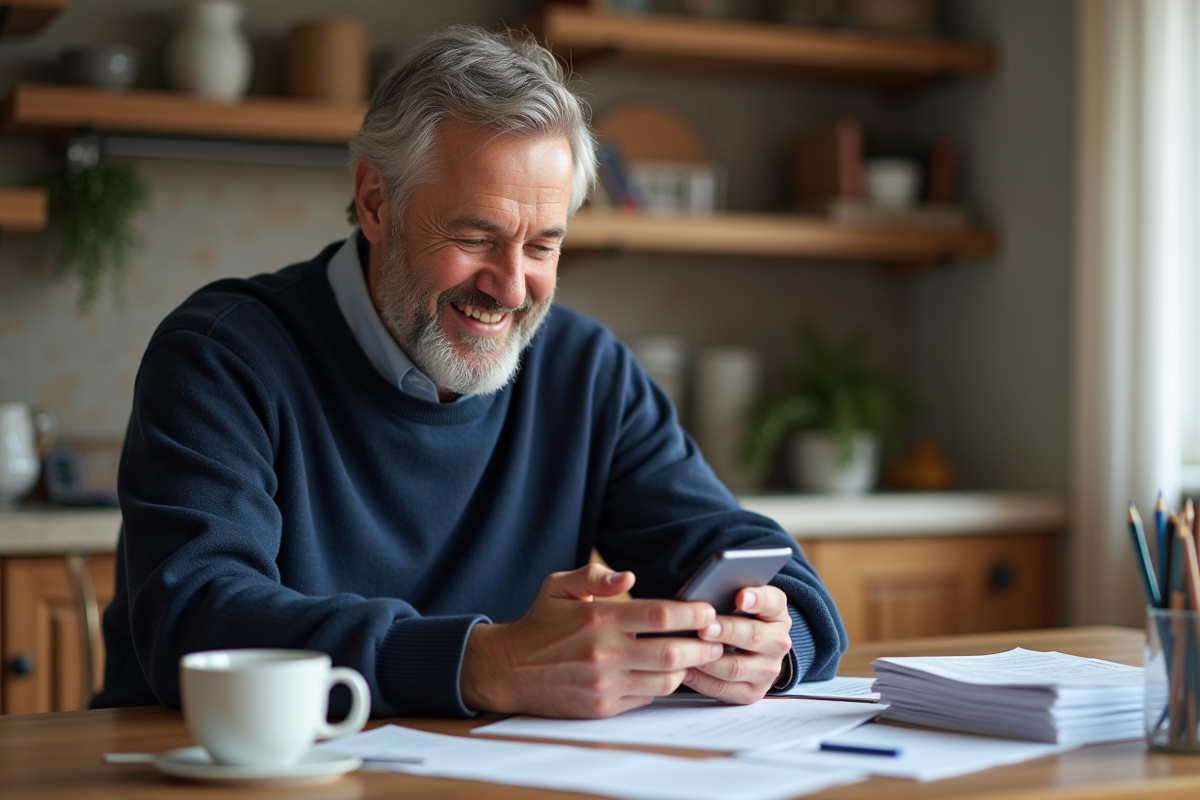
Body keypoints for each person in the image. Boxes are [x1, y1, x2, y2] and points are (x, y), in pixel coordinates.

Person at [93, 25, 846, 719]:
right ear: (375, 202)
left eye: (543, 246)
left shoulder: (587, 372)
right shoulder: (221, 356)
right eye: (477, 236)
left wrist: (774, 640)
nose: (512, 289)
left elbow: (747, 555)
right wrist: (477, 662)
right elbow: (197, 620)